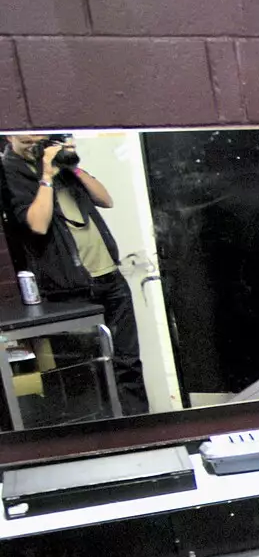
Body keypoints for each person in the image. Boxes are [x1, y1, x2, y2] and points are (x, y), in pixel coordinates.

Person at [0, 133, 148, 415]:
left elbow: (106, 200)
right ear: (9, 135)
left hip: (110, 278)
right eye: (27, 134)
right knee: (87, 373)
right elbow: (38, 224)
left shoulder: (63, 164)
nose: (36, 139)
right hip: (70, 289)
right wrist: (46, 176)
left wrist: (73, 165)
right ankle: (103, 435)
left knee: (128, 362)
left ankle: (139, 425)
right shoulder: (10, 171)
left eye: (39, 133)